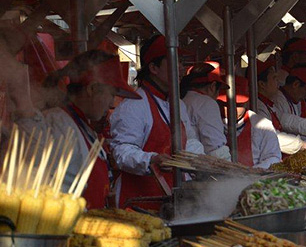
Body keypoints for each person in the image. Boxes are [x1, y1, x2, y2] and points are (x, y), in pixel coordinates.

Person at [10, 50, 140, 209]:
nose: (112, 102)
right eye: (111, 94)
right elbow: (51, 194)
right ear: (92, 89)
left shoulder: (83, 126)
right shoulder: (60, 125)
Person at [109, 35, 204, 210]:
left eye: (181, 62)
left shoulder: (178, 104)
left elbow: (189, 139)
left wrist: (197, 159)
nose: (181, 68)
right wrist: (151, 159)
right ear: (153, 67)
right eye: (175, 62)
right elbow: (121, 151)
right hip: (140, 202)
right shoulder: (134, 106)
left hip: (174, 199)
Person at [217, 76, 281, 169]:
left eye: (238, 105)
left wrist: (250, 173)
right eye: (226, 104)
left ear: (246, 103)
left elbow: (273, 157)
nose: (232, 109)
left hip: (254, 179)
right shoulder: (212, 122)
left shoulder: (262, 125)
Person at [255, 58, 306, 154]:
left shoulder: (268, 103)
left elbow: (288, 120)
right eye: (274, 78)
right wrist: (300, 144)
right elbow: (271, 136)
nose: (278, 81)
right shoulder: (258, 107)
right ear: (261, 84)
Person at [181, 62, 231, 160]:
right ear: (213, 86)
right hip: (199, 167)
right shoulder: (206, 103)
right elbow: (215, 147)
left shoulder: (183, 100)